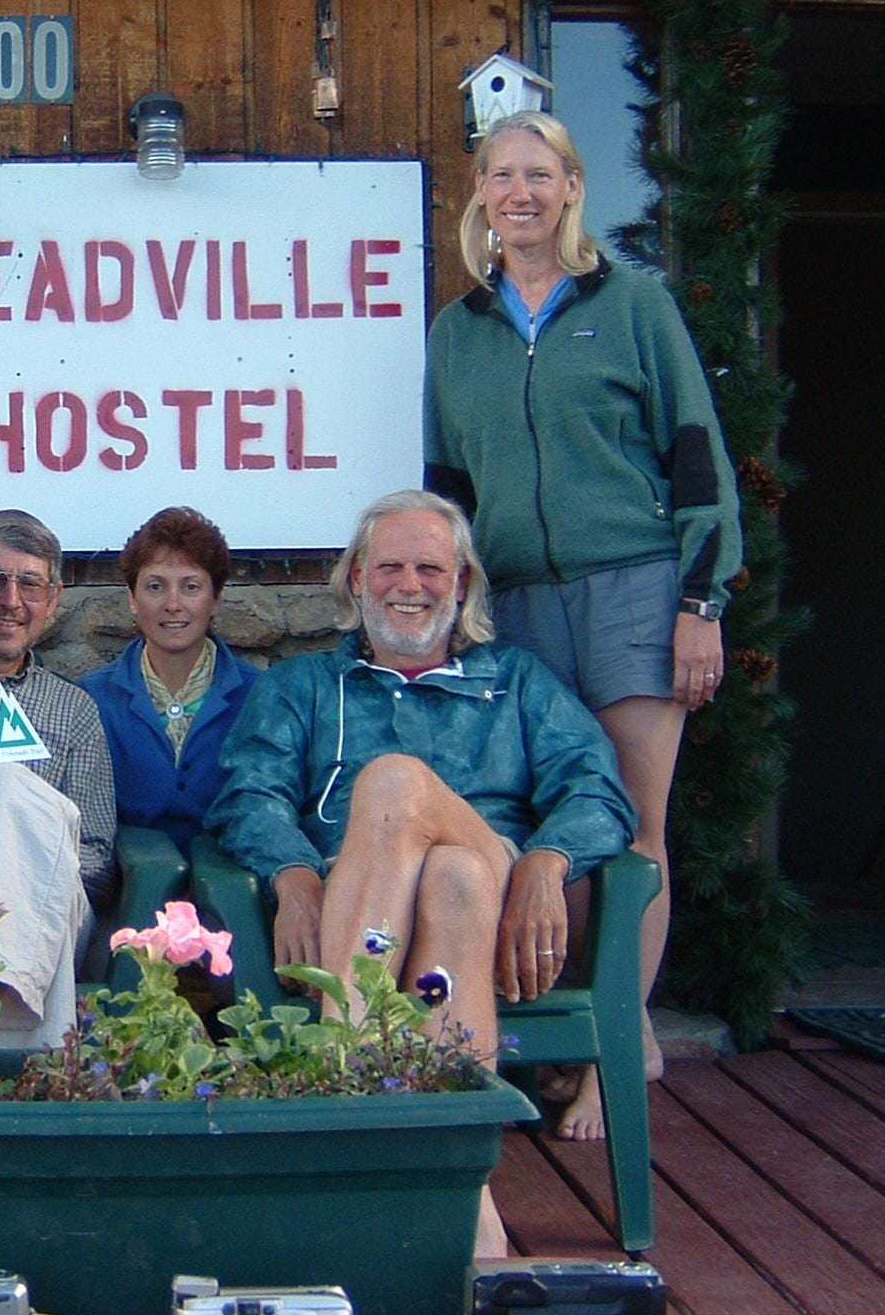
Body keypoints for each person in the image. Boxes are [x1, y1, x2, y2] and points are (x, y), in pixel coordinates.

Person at [205, 489, 636, 1259]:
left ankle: (343, 1067)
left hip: (501, 884)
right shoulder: (304, 688)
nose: (411, 584)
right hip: (386, 898)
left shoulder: (517, 683)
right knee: (449, 879)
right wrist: (295, 875)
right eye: (391, 566)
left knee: (397, 783)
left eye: (431, 568)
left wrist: (546, 859)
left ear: (463, 584)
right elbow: (248, 794)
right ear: (358, 580)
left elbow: (597, 789)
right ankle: (469, 1205)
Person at [424, 109, 742, 1139]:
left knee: (630, 833)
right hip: (513, 604)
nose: (516, 191)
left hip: (633, 592)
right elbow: (447, 490)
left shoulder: (632, 305)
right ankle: (550, 1038)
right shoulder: (456, 333)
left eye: (537, 173)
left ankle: (613, 1054)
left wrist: (700, 605)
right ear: (478, 193)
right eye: (498, 175)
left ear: (568, 189)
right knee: (533, 829)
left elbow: (696, 462)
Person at [0, 509, 118, 1040]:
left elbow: (97, 854)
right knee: (2, 797)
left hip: (56, 891)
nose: (12, 601)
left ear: (54, 599)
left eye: (30, 584)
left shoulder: (76, 711)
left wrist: (20, 848)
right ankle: (41, 1065)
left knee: (9, 794)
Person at [80, 506, 259, 851]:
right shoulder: (93, 698)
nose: (173, 604)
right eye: (155, 587)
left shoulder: (259, 696)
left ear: (216, 598)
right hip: (127, 892)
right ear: (132, 599)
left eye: (191, 587)